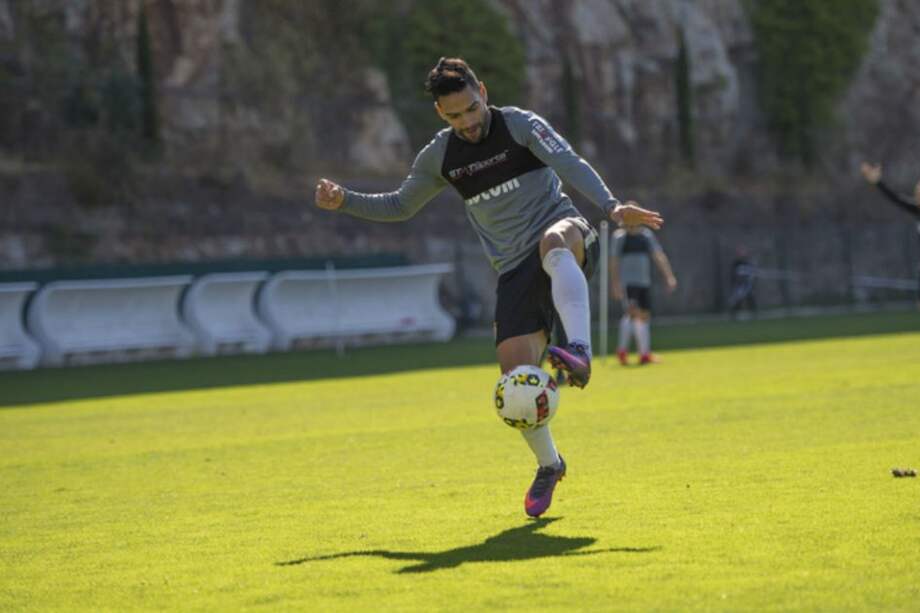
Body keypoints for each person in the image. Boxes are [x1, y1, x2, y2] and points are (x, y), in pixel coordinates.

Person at [314, 57, 663, 517]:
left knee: (553, 241)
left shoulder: (519, 125)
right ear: (441, 113)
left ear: (482, 92)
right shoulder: (440, 157)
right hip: (515, 270)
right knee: (514, 382)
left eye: (471, 109)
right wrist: (345, 200)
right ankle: (550, 464)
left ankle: (578, 348)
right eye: (454, 116)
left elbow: (569, 162)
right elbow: (400, 205)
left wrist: (612, 207)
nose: (467, 122)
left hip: (565, 233)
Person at [609, 221, 676, 365]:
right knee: (633, 313)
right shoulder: (620, 237)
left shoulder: (646, 235)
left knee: (643, 316)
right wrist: (615, 284)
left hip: (644, 282)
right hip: (628, 283)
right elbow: (614, 261)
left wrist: (669, 276)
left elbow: (658, 255)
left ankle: (643, 353)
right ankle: (627, 352)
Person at [860, 162, 920, 307]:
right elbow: (896, 199)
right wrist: (878, 182)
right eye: (917, 192)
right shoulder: (916, 210)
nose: (918, 195)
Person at [727, 246, 757, 318]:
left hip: (746, 284)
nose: (742, 254)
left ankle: (754, 313)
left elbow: (750, 272)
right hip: (739, 285)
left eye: (743, 252)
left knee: (750, 297)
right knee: (738, 298)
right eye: (741, 252)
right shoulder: (736, 263)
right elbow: (734, 273)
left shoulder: (747, 262)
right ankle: (734, 314)